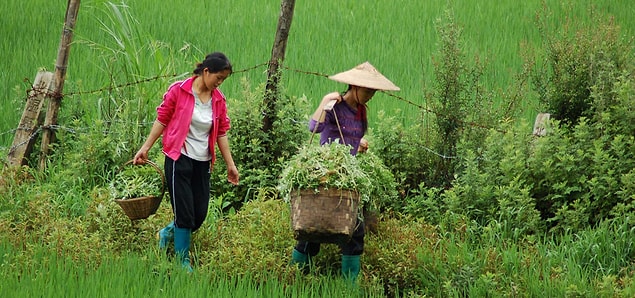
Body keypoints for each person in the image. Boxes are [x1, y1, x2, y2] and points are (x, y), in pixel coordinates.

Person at [291, 61, 399, 283]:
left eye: (373, 92)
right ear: (354, 86)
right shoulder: (335, 106)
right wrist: (325, 101)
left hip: (348, 176)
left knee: (354, 230)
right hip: (327, 174)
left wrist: (359, 144)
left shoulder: (361, 112)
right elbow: (315, 128)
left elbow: (351, 138)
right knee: (313, 227)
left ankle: (349, 287)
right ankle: (295, 278)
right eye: (367, 90)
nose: (370, 95)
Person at [133, 52, 240, 272]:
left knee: (198, 215)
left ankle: (166, 233)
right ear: (206, 71)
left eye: (223, 80)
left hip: (203, 162)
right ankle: (183, 262)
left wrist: (230, 164)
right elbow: (162, 119)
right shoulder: (179, 91)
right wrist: (145, 148)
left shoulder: (218, 100)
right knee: (184, 213)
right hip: (178, 157)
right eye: (218, 78)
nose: (219, 83)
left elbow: (221, 132)